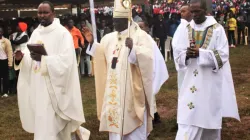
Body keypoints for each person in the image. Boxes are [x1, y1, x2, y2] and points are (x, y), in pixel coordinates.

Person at [83, 0, 167, 139]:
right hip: (114, 94)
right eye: (114, 20)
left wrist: (133, 50)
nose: (114, 23)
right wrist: (92, 43)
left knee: (134, 134)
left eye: (118, 20)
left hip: (133, 93)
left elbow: (151, 59)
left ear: (127, 19)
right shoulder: (108, 38)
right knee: (115, 132)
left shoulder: (141, 36)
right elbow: (102, 56)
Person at [14, 1, 87, 140]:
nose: (42, 16)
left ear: (53, 13)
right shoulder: (36, 32)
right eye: (39, 12)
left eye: (45, 12)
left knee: (53, 124)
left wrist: (45, 60)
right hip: (39, 85)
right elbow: (31, 56)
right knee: (42, 120)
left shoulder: (62, 33)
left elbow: (67, 61)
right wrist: (21, 58)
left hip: (55, 87)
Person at [173, 0, 240, 139]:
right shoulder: (186, 29)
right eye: (192, 11)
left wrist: (201, 53)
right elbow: (177, 54)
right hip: (189, 82)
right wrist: (186, 55)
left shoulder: (217, 29)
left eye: (197, 11)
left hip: (209, 84)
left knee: (209, 125)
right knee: (187, 123)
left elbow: (223, 55)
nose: (194, 15)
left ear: (206, 11)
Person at [138, 20, 169, 125]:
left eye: (141, 27)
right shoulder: (135, 39)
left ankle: (155, 117)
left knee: (149, 95)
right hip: (138, 71)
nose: (140, 29)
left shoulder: (149, 40)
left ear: (147, 28)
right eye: (137, 27)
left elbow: (155, 57)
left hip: (148, 70)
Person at [172, 3, 192, 94]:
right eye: (181, 12)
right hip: (184, 60)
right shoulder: (182, 27)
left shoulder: (192, 25)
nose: (181, 14)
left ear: (191, 12)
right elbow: (176, 45)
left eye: (184, 11)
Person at [0, 27, 13, 97]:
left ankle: (5, 92)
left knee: (5, 77)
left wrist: (10, 63)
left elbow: (10, 52)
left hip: (4, 61)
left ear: (2, 32)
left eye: (0, 31)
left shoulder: (6, 41)